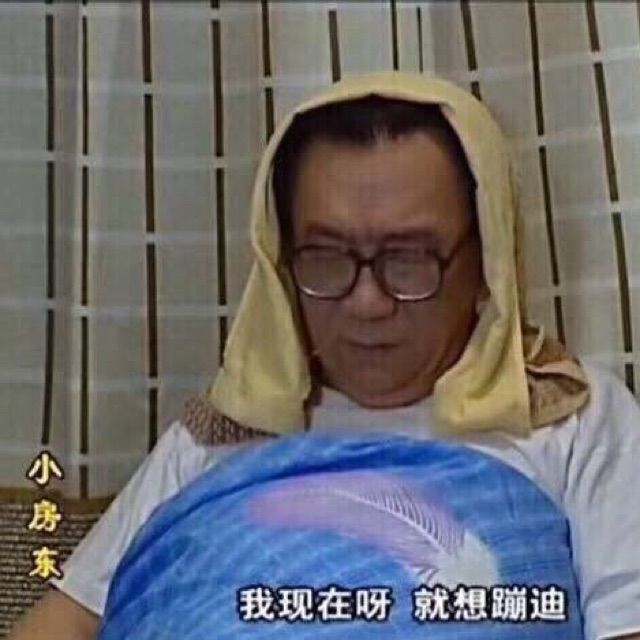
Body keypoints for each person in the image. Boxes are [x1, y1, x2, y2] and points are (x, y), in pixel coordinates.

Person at [8, 71, 640, 640]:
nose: (366, 302)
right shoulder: (224, 429)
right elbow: (66, 620)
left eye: (408, 258)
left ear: (487, 261)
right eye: (326, 257)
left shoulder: (569, 417)